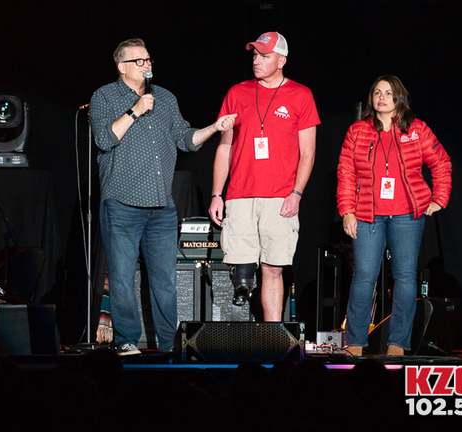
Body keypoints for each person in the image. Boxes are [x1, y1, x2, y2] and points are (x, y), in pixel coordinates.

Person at [90, 38, 237, 355]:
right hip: (121, 205)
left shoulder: (165, 98)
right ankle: (127, 341)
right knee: (122, 279)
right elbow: (104, 138)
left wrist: (214, 127)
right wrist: (135, 110)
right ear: (122, 67)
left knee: (165, 282)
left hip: (161, 208)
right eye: (139, 61)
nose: (147, 65)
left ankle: (170, 345)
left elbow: (186, 139)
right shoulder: (104, 96)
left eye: (148, 60)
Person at [337, 74, 451, 356]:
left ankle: (398, 344)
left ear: (399, 97)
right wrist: (347, 211)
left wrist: (439, 199)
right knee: (364, 276)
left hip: (407, 216)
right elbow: (346, 173)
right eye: (377, 92)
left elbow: (441, 162)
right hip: (367, 215)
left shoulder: (417, 129)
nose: (381, 97)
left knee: (404, 277)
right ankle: (355, 344)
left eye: (388, 93)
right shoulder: (358, 131)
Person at [208, 32, 319, 321]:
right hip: (240, 195)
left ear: (281, 60)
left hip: (280, 196)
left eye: (264, 56)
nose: (257, 61)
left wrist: (296, 193)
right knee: (239, 269)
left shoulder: (301, 95)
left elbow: (307, 152)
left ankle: (272, 337)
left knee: (273, 268)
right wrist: (216, 194)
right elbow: (225, 146)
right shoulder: (237, 92)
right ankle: (233, 341)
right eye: (255, 55)